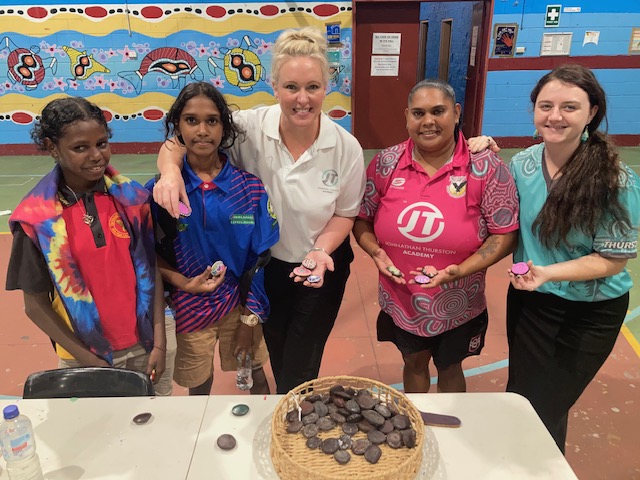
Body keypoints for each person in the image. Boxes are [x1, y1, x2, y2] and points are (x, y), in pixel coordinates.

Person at [154, 27, 366, 394]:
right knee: (276, 353)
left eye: (313, 87)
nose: (302, 99)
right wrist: (170, 172)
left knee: (301, 364)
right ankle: (286, 408)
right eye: (291, 87)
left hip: (319, 267)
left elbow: (345, 213)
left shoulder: (346, 148)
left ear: (327, 87)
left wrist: (320, 251)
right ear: (274, 86)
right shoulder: (247, 128)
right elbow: (184, 137)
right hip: (265, 270)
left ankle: (293, 415)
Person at [505, 64, 640, 452]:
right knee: (522, 399)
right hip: (531, 304)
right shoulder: (522, 165)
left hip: (588, 314)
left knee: (543, 407)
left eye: (569, 107)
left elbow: (612, 260)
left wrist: (548, 273)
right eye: (546, 106)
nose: (555, 116)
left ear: (591, 112)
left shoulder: (615, 180)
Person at [353, 79, 519, 393]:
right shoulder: (386, 163)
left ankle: (448, 422)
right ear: (407, 117)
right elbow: (362, 220)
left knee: (450, 366)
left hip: (459, 304)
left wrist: (462, 270)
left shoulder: (485, 167)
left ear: (456, 113)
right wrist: (375, 251)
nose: (428, 121)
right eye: (418, 113)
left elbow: (504, 234)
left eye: (438, 111)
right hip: (402, 299)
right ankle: (416, 417)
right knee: (413, 363)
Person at [5, 97, 166, 385]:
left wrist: (160, 342)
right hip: (85, 356)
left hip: (147, 344)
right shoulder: (36, 221)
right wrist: (90, 362)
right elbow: (35, 306)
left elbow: (150, 271)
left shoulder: (133, 199)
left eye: (101, 144)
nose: (96, 156)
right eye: (80, 148)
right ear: (52, 147)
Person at [148, 81, 279, 395]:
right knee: (198, 386)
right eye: (191, 120)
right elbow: (146, 254)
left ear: (224, 127)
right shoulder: (161, 192)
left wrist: (250, 319)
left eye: (212, 120)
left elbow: (260, 259)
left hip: (240, 305)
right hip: (189, 308)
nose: (202, 130)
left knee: (256, 374)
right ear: (177, 126)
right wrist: (182, 282)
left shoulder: (249, 189)